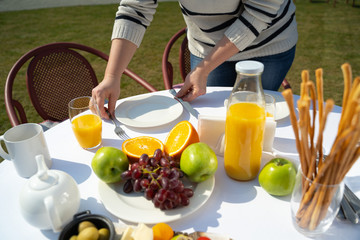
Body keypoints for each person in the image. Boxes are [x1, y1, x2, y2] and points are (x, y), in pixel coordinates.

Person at [92, 0, 298, 119]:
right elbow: (135, 10)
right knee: (210, 122)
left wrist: (204, 68)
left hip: (267, 45)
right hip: (206, 46)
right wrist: (112, 75)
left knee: (254, 119)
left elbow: (260, 12)